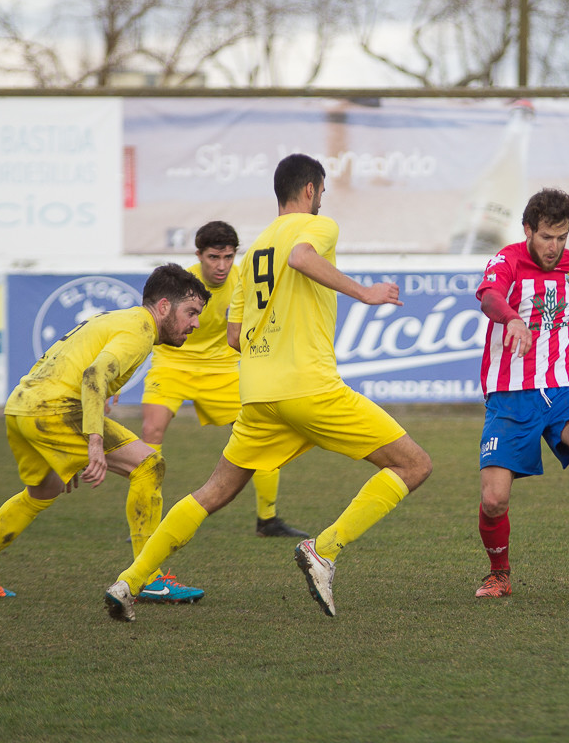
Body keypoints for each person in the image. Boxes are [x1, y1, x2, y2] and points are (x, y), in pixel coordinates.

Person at [103, 153, 432, 621]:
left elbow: (235, 336)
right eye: (322, 193)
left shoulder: (254, 250)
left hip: (258, 394)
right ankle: (325, 549)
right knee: (415, 464)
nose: (322, 201)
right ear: (311, 191)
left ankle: (128, 582)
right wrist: (365, 292)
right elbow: (301, 257)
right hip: (310, 387)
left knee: (213, 491)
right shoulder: (318, 228)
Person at [0, 263, 211, 602]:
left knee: (43, 490)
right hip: (55, 409)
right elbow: (93, 375)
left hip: (20, 407)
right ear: (164, 306)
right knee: (149, 465)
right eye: (191, 312)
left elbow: (80, 367)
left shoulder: (118, 319)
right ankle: (148, 577)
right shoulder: (139, 331)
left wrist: (69, 447)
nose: (196, 323)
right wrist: (94, 442)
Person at [471, 187, 569, 599]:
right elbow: (490, 297)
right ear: (528, 229)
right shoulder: (507, 260)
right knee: (494, 500)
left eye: (562, 237)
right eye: (546, 236)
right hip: (511, 394)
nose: (554, 246)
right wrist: (511, 319)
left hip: (563, 384)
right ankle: (499, 574)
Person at [141, 220, 307, 539]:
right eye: (213, 257)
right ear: (199, 255)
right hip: (173, 362)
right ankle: (145, 520)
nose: (221, 265)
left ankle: (267, 520)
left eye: (228, 257)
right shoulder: (179, 283)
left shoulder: (245, 281)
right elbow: (148, 326)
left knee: (260, 431)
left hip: (223, 367)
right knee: (151, 430)